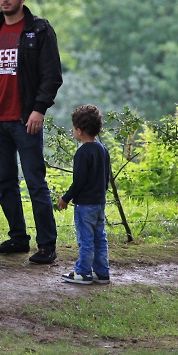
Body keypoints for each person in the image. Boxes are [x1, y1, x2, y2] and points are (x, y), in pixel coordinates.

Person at [0, 0, 63, 265]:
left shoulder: (40, 30)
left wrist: (39, 109)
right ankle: (18, 238)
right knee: (6, 183)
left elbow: (52, 76)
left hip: (26, 120)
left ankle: (46, 246)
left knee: (35, 183)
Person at [57, 104, 111, 285]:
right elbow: (106, 178)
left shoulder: (82, 153)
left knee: (86, 240)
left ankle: (83, 272)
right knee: (99, 238)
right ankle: (102, 272)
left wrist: (65, 198)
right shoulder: (103, 150)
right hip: (99, 203)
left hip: (85, 206)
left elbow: (79, 182)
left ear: (79, 130)